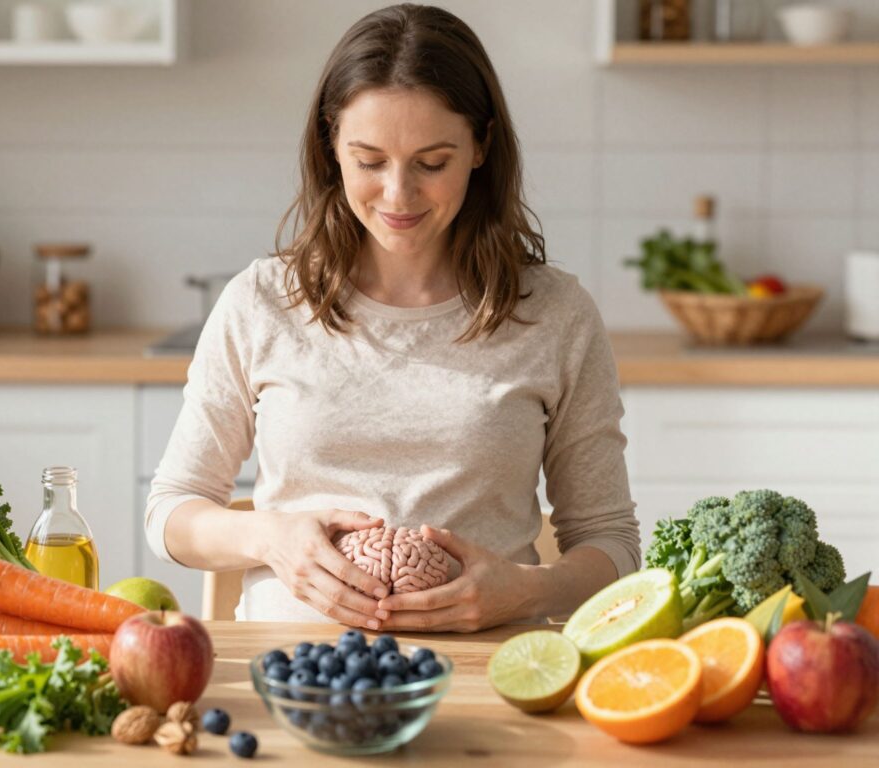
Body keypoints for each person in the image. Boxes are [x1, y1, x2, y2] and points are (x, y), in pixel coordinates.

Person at [145, 3, 640, 632]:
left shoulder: (556, 315)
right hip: (293, 673)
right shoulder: (261, 301)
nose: (398, 195)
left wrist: (525, 591)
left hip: (489, 676)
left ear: (482, 145)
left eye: (432, 163)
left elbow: (612, 544)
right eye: (370, 161)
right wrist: (271, 540)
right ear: (331, 146)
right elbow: (171, 513)